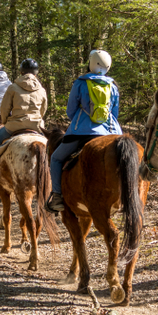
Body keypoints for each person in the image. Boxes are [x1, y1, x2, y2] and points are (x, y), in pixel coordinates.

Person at [45, 50, 121, 213]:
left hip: (82, 132)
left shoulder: (80, 83)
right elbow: (114, 114)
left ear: (91, 63)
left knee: (57, 159)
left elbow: (70, 111)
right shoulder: (112, 86)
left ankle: (57, 196)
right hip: (110, 132)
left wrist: (80, 121)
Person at [0, 59, 48, 184]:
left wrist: (5, 121)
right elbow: (43, 110)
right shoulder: (42, 90)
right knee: (51, 148)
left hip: (14, 126)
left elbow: (5, 108)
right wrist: (37, 120)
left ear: (21, 72)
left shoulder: (13, 87)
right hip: (36, 126)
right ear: (36, 73)